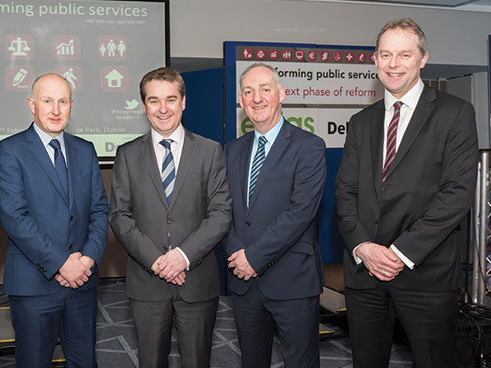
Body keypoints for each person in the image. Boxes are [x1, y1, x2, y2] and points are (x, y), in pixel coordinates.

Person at [335, 18, 479, 368]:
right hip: (365, 272)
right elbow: (345, 193)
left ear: (423, 59)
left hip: (425, 273)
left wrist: (399, 253)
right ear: (375, 60)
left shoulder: (455, 113)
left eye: (404, 54)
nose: (394, 64)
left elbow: (456, 195)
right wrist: (363, 248)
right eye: (386, 55)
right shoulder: (361, 122)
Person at [109, 67, 231, 368]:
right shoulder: (127, 154)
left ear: (183, 102)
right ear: (143, 106)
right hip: (147, 283)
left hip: (197, 281)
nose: (163, 109)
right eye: (154, 100)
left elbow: (221, 213)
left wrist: (182, 257)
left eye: (170, 99)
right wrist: (158, 261)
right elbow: (120, 216)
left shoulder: (210, 151)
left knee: (197, 362)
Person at [0, 73, 109, 367]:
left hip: (82, 282)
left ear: (71, 105)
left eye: (63, 101)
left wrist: (87, 261)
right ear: (32, 105)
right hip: (34, 285)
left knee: (84, 362)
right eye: (47, 101)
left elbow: (99, 211)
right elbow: (15, 218)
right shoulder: (9, 151)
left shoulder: (85, 150)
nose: (56, 110)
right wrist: (62, 263)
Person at [223, 63, 326, 368]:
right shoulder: (232, 151)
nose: (257, 98)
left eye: (265, 89)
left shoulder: (309, 147)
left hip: (291, 280)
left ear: (281, 94)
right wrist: (235, 254)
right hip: (243, 281)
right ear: (241, 100)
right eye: (249, 92)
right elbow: (220, 210)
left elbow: (300, 213)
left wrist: (253, 257)